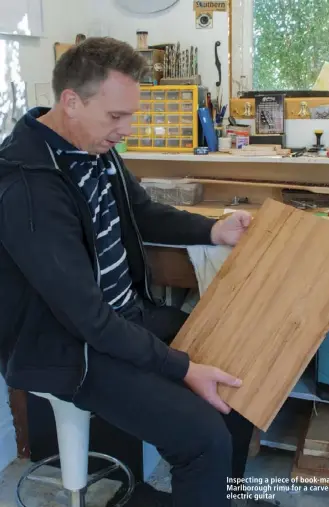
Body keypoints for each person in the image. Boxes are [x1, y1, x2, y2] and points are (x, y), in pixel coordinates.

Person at [0, 37, 272, 507]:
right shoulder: (27, 188)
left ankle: (218, 499)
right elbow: (86, 318)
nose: (125, 130)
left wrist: (216, 232)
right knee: (202, 438)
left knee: (238, 373)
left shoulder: (91, 147)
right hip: (70, 348)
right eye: (115, 117)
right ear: (71, 101)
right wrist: (183, 368)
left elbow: (142, 212)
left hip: (122, 321)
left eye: (130, 115)